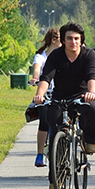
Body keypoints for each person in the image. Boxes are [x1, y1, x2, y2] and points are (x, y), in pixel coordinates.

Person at [33, 22, 95, 189]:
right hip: (60, 97)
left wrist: (92, 92)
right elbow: (46, 78)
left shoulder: (89, 55)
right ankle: (55, 178)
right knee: (55, 129)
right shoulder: (56, 56)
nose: (73, 42)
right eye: (70, 38)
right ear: (63, 40)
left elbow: (92, 76)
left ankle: (90, 139)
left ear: (81, 40)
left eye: (77, 39)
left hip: (83, 95)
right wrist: (39, 95)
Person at [29, 28, 61, 167]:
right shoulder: (41, 57)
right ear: (54, 40)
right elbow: (37, 69)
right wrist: (36, 78)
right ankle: (40, 154)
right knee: (44, 121)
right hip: (45, 94)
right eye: (61, 40)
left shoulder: (62, 56)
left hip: (60, 93)